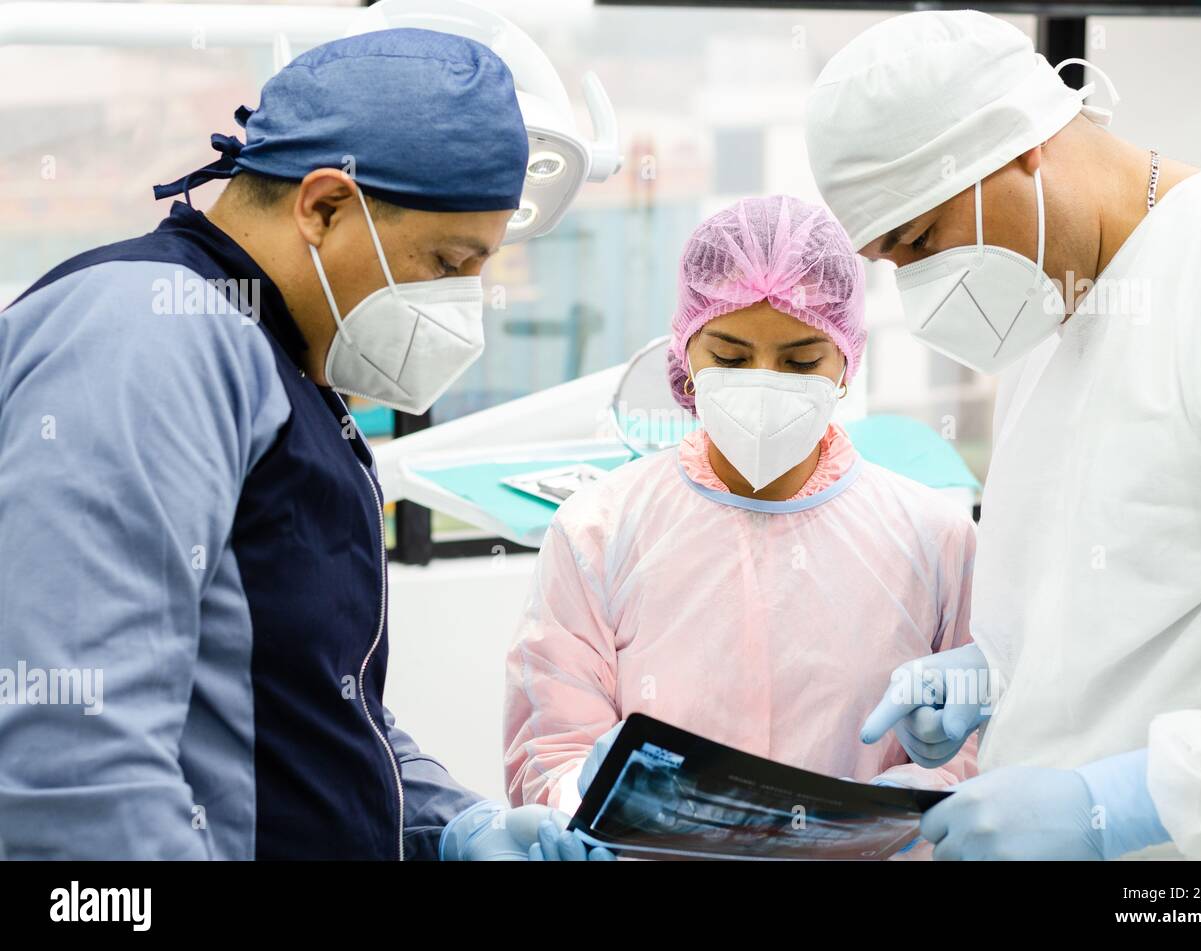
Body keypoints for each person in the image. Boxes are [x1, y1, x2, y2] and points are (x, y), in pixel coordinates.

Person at [0, 29, 607, 861]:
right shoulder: (149, 339)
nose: (464, 304)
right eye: (447, 262)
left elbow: (313, 697)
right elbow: (76, 759)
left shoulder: (280, 364)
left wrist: (447, 825)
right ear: (323, 206)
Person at [806, 10, 1201, 859]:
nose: (921, 290)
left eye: (922, 240)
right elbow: (1125, 605)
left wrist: (1130, 801)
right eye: (891, 261)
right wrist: (994, 677)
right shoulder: (1048, 316)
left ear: (1020, 141)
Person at [503, 195, 979, 829]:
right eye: (729, 357)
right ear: (686, 355)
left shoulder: (934, 537)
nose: (763, 380)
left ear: (845, 362)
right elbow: (552, 753)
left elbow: (975, 754)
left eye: (801, 360)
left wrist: (896, 811)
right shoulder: (599, 531)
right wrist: (583, 808)